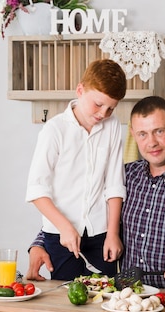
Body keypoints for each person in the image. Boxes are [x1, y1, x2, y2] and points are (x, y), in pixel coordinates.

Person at [26, 95, 165, 289]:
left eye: (159, 131)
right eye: (143, 134)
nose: (151, 142)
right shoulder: (125, 176)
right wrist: (40, 243)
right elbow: (82, 211)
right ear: (134, 136)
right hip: (128, 301)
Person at [25, 59, 127, 281]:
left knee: (105, 298)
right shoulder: (54, 130)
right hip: (60, 236)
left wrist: (112, 233)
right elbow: (36, 190)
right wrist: (65, 227)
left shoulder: (112, 126)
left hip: (101, 234)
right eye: (98, 104)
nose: (103, 113)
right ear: (80, 90)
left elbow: (114, 184)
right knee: (65, 300)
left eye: (111, 107)